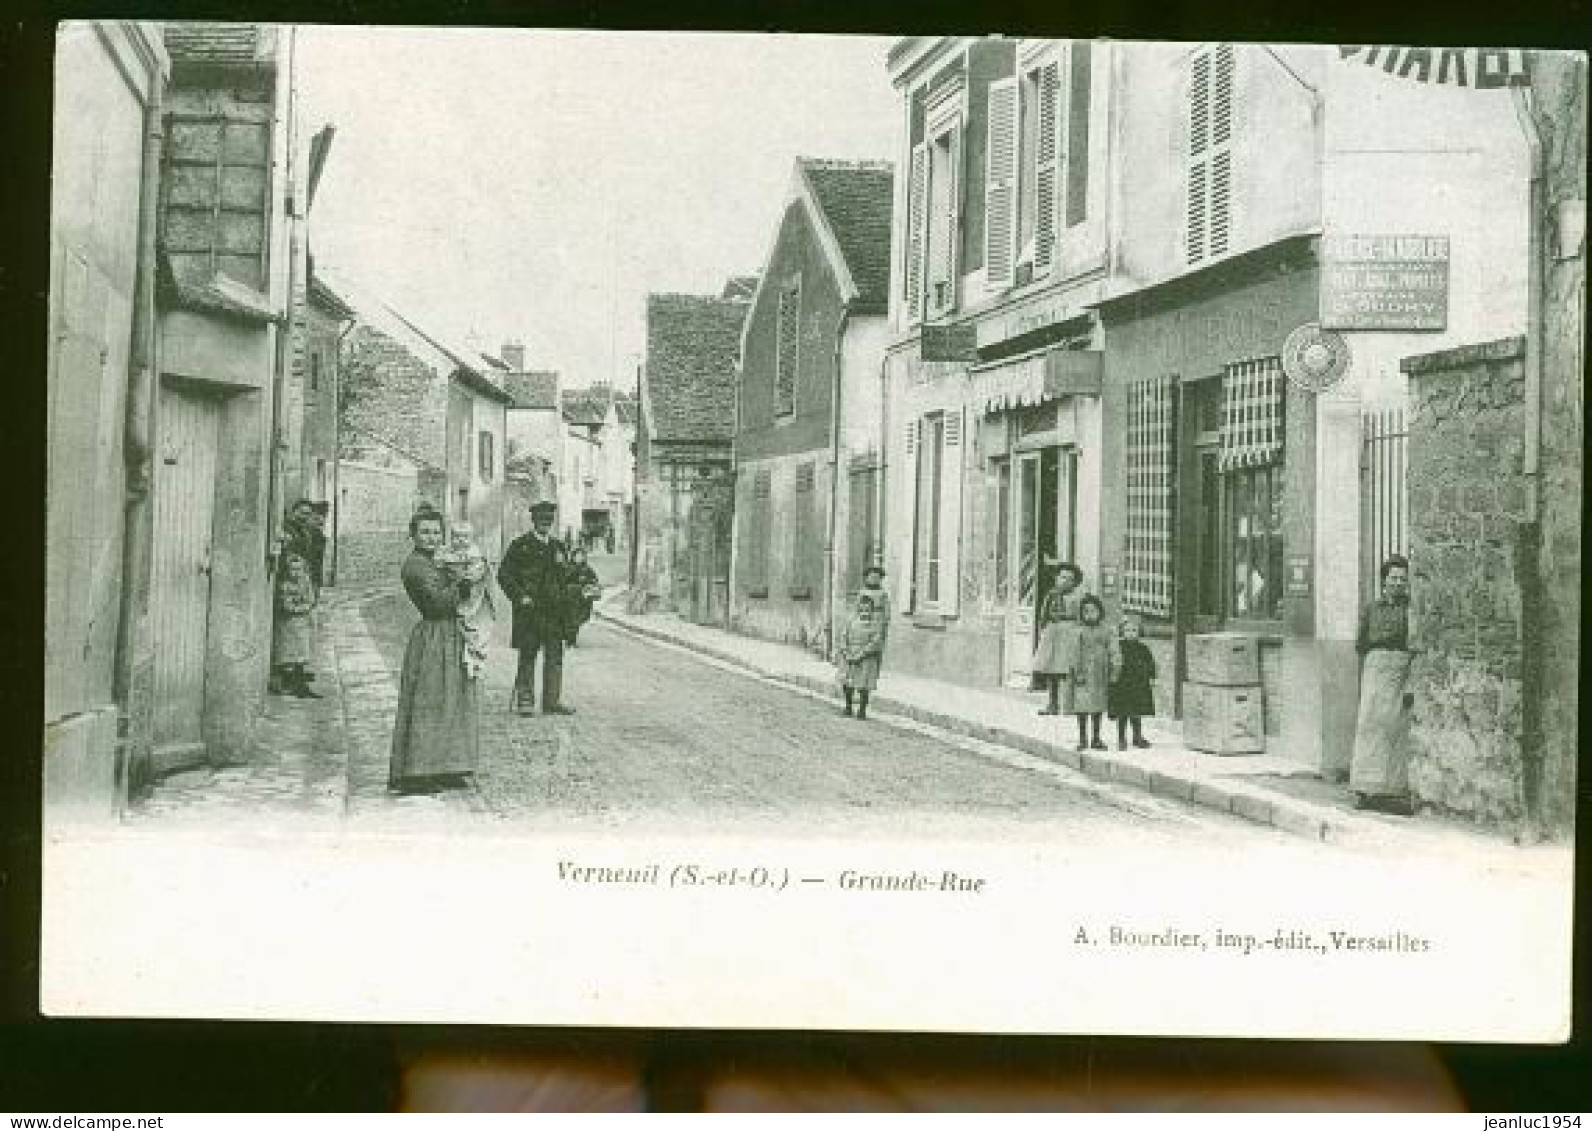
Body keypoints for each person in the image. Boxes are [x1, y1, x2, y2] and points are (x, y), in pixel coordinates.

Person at [388, 506, 479, 793]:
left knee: (453, 698)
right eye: (425, 532)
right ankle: (417, 772)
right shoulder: (415, 566)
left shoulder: (439, 559)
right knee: (429, 700)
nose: (431, 537)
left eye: (436, 532)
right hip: (434, 635)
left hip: (452, 633)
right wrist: (463, 583)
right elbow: (436, 603)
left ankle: (447, 766)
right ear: (413, 535)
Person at [1349, 554, 1416, 815]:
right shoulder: (1372, 609)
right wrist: (1375, 662)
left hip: (1400, 670)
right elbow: (1361, 642)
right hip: (1375, 669)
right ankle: (1364, 788)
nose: (1398, 583)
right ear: (1384, 581)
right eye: (1393, 578)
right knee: (1369, 726)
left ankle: (1392, 789)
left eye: (1402, 579)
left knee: (1394, 728)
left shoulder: (1410, 609)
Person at [499, 500, 575, 716]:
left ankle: (552, 701)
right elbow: (504, 575)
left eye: (549, 520)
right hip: (530, 611)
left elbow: (565, 580)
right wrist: (519, 596)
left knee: (555, 656)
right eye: (541, 520)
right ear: (533, 521)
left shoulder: (558, 547)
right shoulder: (520, 546)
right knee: (528, 655)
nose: (545, 524)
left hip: (554, 613)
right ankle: (525, 700)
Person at [434, 520, 496, 680]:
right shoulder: (446, 553)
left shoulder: (475, 554)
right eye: (456, 537)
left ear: (471, 538)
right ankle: (466, 660)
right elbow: (439, 568)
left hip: (471, 593)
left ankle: (476, 661)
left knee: (475, 625)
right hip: (455, 593)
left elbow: (478, 571)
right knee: (459, 626)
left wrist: (468, 578)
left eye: (465, 537)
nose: (460, 541)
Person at [836, 566, 890, 720]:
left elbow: (886, 616)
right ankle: (848, 706)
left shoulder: (883, 595)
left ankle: (862, 709)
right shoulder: (861, 596)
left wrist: (881, 627)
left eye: (876, 577)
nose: (873, 579)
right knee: (848, 679)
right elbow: (850, 624)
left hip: (874, 629)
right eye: (871, 576)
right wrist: (846, 650)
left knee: (866, 678)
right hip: (855, 638)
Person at [1031, 562, 1084, 715]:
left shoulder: (1078, 597)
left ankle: (1070, 705)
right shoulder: (1051, 595)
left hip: (1069, 633)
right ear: (1056, 578)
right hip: (1053, 633)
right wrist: (1043, 629)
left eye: (1069, 579)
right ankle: (1052, 704)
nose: (1065, 581)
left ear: (1075, 582)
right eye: (1062, 577)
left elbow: (1081, 617)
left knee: (1068, 670)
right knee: (1051, 669)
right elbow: (1043, 614)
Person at [271, 551, 320, 699]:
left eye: (299, 569)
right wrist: (302, 606)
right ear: (287, 570)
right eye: (292, 569)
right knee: (289, 655)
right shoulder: (284, 585)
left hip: (303, 624)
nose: (296, 572)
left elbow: (311, 599)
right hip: (288, 625)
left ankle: (300, 685)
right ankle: (289, 684)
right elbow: (287, 607)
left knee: (302, 655)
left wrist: (303, 605)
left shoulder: (305, 581)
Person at [1108, 614, 1157, 750]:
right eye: (1127, 630)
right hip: (1122, 684)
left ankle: (1137, 737)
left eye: (1134, 630)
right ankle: (1121, 739)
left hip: (1138, 685)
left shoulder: (1143, 648)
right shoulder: (1118, 647)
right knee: (1122, 714)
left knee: (1136, 713)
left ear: (1139, 632)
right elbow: (1112, 662)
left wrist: (1152, 676)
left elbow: (1150, 663)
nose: (1131, 633)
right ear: (1122, 632)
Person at [1070, 594, 1112, 751]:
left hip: (1100, 673)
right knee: (1082, 707)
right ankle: (1082, 739)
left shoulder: (1106, 631)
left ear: (1100, 612)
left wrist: (1114, 670)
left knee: (1098, 706)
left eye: (1093, 611)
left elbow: (1112, 649)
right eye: (1086, 611)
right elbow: (1075, 653)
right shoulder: (1079, 632)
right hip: (1084, 674)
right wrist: (1078, 672)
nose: (1090, 614)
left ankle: (1096, 738)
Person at [563, 546, 602, 647]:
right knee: (571, 619)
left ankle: (571, 639)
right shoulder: (567, 567)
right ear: (573, 557)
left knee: (581, 618)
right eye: (577, 556)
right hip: (570, 598)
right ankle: (570, 641)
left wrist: (592, 586)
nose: (580, 558)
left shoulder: (587, 569)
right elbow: (562, 582)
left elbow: (594, 580)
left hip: (584, 599)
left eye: (582, 556)